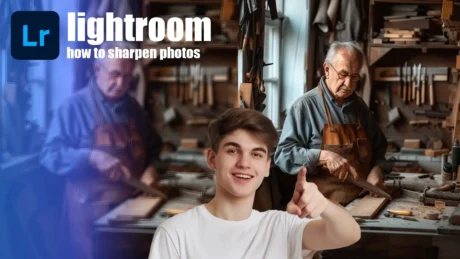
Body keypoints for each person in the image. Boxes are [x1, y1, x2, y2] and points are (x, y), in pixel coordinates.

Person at [148, 108, 360, 259]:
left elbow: (348, 234)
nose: (244, 164)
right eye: (233, 151)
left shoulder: (281, 227)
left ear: (267, 166)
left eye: (256, 154)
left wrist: (323, 205)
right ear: (212, 158)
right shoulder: (175, 233)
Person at [40, 42, 163, 259]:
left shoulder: (132, 108)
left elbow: (154, 146)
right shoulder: (73, 107)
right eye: (115, 74)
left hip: (131, 210)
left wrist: (152, 168)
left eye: (127, 77)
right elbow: (50, 155)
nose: (121, 83)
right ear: (97, 69)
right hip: (89, 214)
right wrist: (91, 157)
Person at [274, 41, 388, 206]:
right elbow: (283, 155)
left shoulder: (359, 108)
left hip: (362, 203)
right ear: (327, 69)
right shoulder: (305, 107)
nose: (349, 84)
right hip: (320, 208)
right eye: (343, 74)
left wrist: (377, 171)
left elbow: (379, 148)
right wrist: (323, 156)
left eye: (355, 77)